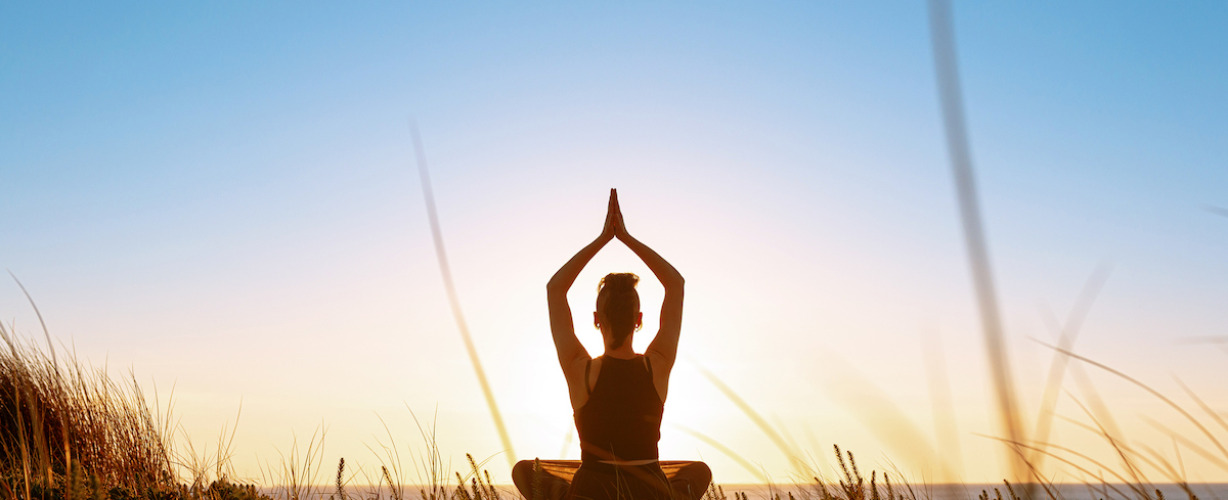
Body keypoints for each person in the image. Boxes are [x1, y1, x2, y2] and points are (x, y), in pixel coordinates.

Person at [512, 189, 710, 500]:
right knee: (698, 472)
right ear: (639, 318)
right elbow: (675, 285)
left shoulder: (581, 370)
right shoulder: (655, 364)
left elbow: (555, 290)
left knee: (525, 470)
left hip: (592, 489)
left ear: (596, 319)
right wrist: (626, 238)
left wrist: (603, 238)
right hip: (650, 489)